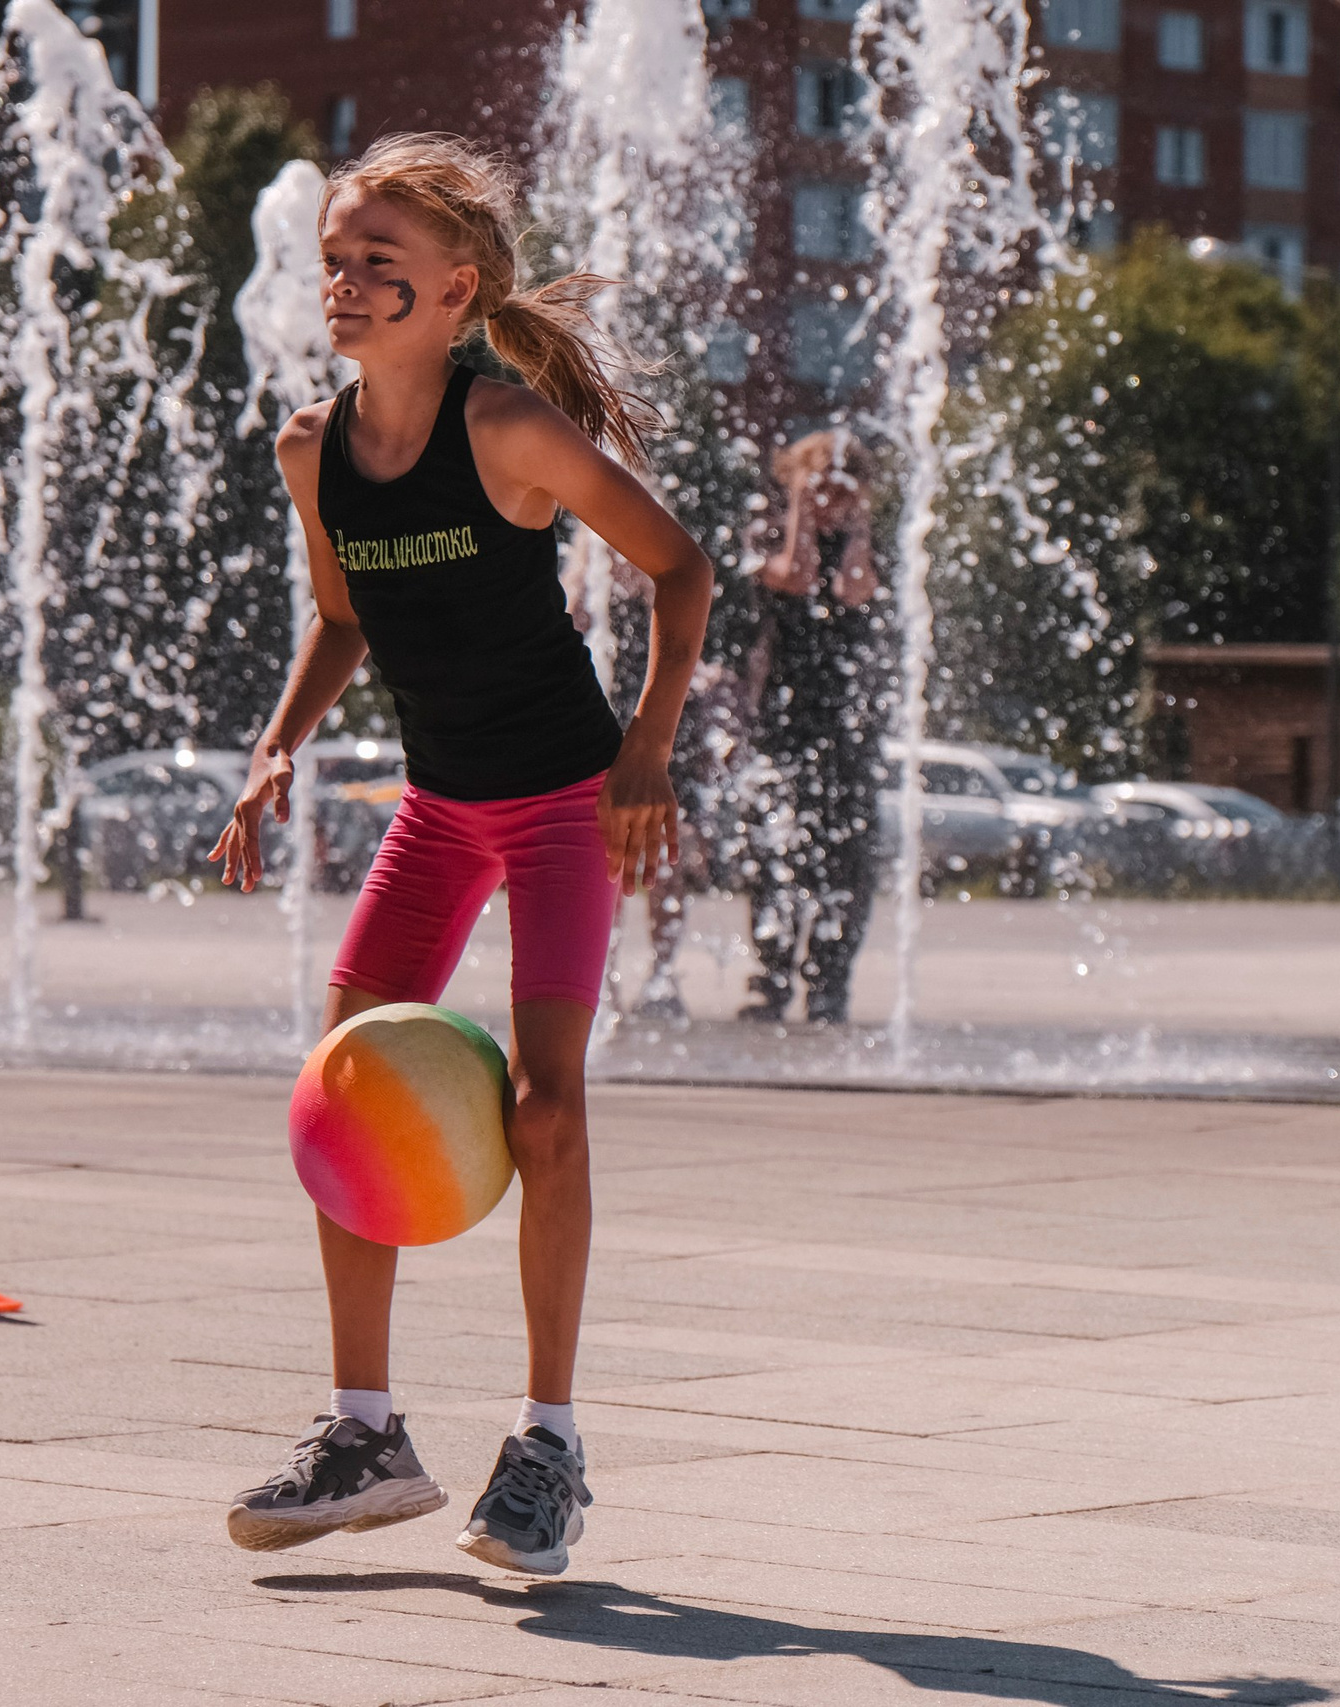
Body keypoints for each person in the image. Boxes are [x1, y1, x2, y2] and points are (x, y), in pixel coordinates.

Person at [207, 133, 710, 1577]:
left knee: (546, 1111)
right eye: (333, 261)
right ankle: (364, 1433)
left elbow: (681, 568)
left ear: (454, 293)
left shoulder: (506, 431)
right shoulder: (311, 449)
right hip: (437, 806)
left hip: (561, 801)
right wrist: (279, 744)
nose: (345, 284)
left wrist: (648, 746)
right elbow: (343, 616)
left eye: (380, 264)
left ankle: (550, 1444)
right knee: (343, 1092)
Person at [739, 429, 891, 1026]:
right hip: (783, 720)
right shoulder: (769, 533)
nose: (831, 497)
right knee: (772, 852)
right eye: (819, 484)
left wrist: (858, 525)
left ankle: (830, 983)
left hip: (848, 725)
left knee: (848, 856)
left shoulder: (869, 547)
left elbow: (853, 589)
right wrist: (801, 508)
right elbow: (796, 576)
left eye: (843, 487)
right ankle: (772, 978)